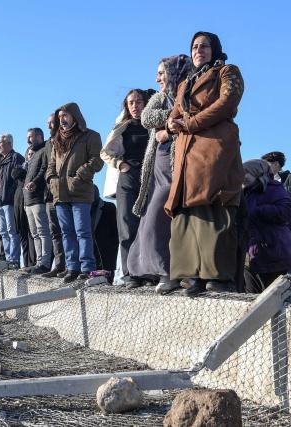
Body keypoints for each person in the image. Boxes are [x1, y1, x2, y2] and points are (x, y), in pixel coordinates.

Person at [165, 31, 245, 296]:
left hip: (214, 144)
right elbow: (176, 112)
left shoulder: (227, 71)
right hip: (187, 149)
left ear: (215, 49)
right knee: (184, 206)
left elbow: (227, 102)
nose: (199, 50)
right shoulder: (185, 82)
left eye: (205, 46)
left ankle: (217, 276)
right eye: (195, 46)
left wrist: (191, 123)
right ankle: (189, 275)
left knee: (213, 202)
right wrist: (171, 122)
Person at [127, 55, 191, 294]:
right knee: (149, 219)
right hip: (157, 167)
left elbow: (190, 116)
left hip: (178, 166)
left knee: (162, 220)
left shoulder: (188, 93)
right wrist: (171, 119)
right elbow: (146, 117)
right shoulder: (159, 97)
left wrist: (169, 126)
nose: (157, 78)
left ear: (174, 73)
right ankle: (150, 271)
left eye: (162, 73)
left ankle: (170, 272)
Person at [100, 89, 154, 287]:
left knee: (148, 226)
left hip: (150, 177)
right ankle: (130, 274)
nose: (135, 106)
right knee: (127, 226)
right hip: (128, 178)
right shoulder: (123, 127)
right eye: (130, 103)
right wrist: (119, 164)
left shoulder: (153, 126)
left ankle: (148, 272)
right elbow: (104, 153)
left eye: (139, 101)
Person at [46, 102, 103, 283]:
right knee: (66, 232)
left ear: (75, 116)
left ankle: (86, 267)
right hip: (60, 193)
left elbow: (97, 160)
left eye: (65, 116)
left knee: (82, 231)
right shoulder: (56, 139)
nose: (62, 120)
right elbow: (51, 165)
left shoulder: (90, 136)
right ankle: (72, 267)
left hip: (80, 191)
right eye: (60, 117)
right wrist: (51, 180)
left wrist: (80, 175)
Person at [240, 160, 291, 292]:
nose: (241, 177)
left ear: (256, 173)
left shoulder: (274, 188)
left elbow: (287, 212)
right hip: (251, 258)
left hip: (274, 254)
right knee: (251, 300)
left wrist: (257, 211)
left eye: (245, 173)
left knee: (273, 300)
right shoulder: (244, 193)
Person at [261, 151, 291, 263]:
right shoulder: (263, 183)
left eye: (265, 164)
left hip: (290, 231)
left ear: (276, 164)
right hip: (268, 232)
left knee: (289, 266)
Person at [22, 127, 52, 274]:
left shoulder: (44, 150)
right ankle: (39, 262)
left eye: (31, 137)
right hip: (28, 200)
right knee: (34, 233)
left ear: (39, 137)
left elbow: (44, 169)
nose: (28, 140)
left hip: (39, 198)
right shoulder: (31, 155)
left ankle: (45, 263)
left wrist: (35, 182)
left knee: (43, 231)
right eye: (28, 137)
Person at [41, 114, 67, 278]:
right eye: (48, 123)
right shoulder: (47, 145)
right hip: (49, 194)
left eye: (51, 123)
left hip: (65, 192)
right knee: (54, 232)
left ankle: (72, 266)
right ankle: (59, 264)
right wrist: (50, 180)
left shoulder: (66, 139)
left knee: (68, 230)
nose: (49, 126)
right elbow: (46, 166)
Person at [0, 133, 25, 268]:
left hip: (10, 200)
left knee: (12, 231)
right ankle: (8, 258)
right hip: (0, 201)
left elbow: (18, 178)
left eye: (0, 144)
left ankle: (14, 260)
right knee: (3, 232)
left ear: (9, 144)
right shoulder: (0, 161)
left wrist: (12, 194)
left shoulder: (16, 158)